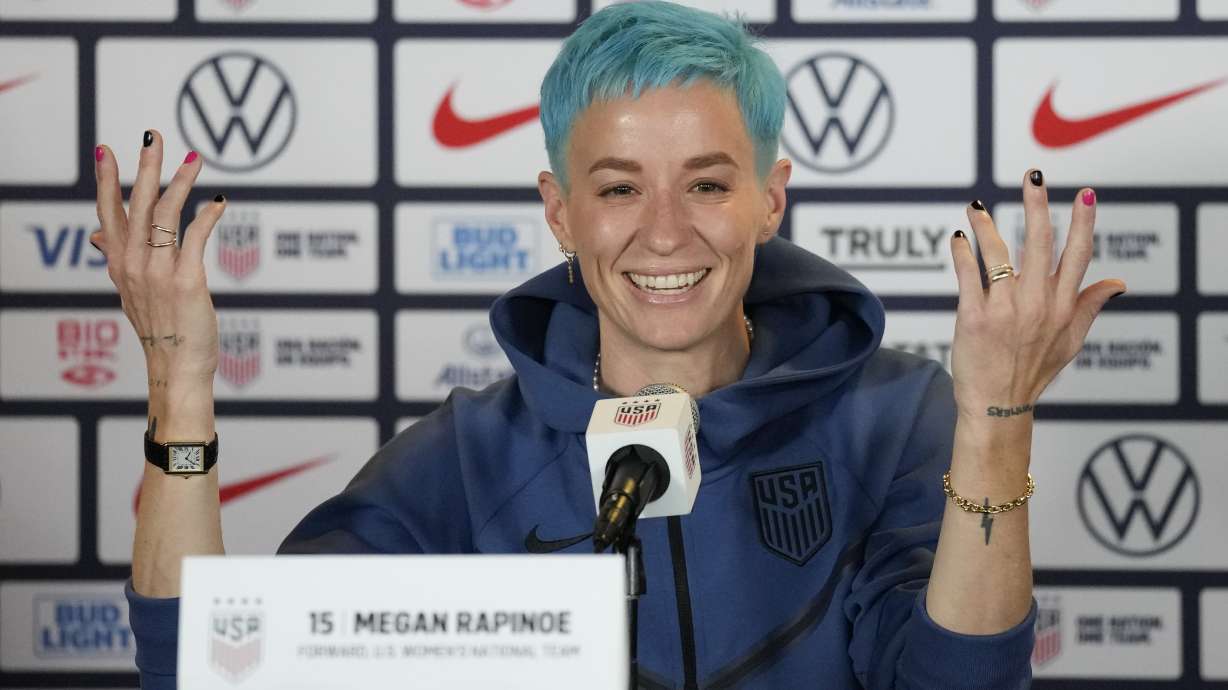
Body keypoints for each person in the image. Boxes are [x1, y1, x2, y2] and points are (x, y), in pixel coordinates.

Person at [92, 2, 1124, 688]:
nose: (664, 231)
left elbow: (954, 682)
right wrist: (180, 389)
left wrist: (995, 421)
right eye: (619, 187)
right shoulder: (464, 458)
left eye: (709, 184)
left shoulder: (895, 417)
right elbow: (202, 663)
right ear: (559, 210)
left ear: (771, 198)